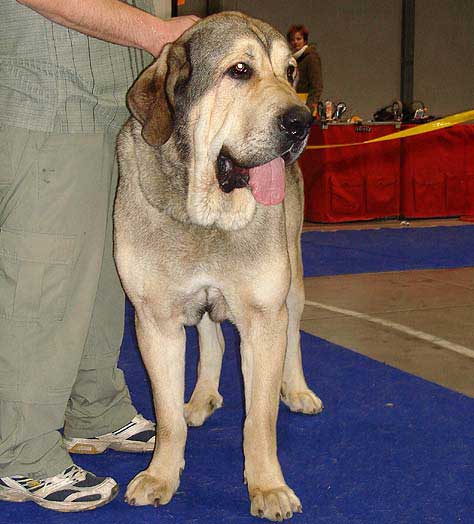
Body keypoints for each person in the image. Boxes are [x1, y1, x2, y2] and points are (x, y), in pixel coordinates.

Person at [0, 0, 198, 512]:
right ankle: (19, 453)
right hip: (45, 100)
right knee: (42, 278)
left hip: (111, 104)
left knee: (104, 271)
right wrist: (157, 32)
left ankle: (95, 406)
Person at [287, 24, 323, 115]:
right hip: (295, 105)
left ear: (305, 40)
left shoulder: (311, 57)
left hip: (306, 107)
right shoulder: (292, 60)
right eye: (292, 40)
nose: (295, 42)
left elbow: (317, 86)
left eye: (298, 39)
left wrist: (309, 108)